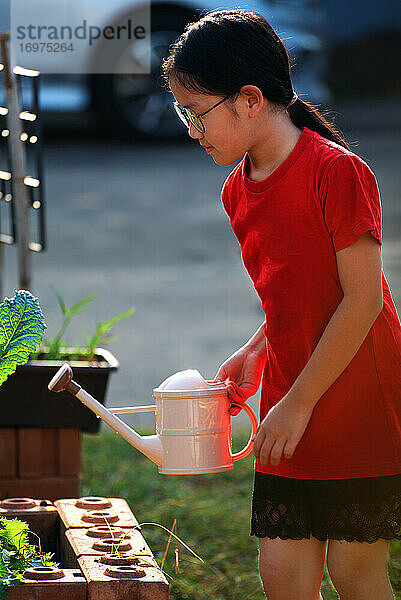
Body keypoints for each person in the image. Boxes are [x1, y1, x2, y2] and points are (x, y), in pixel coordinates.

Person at [161, 9, 401, 599]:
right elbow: (294, 287)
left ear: (248, 98)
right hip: (294, 384)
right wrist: (257, 348)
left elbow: (362, 301)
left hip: (356, 389)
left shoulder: (337, 172)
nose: (193, 129)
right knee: (284, 575)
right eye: (182, 113)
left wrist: (296, 405)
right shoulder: (236, 189)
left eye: (198, 111)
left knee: (353, 571)